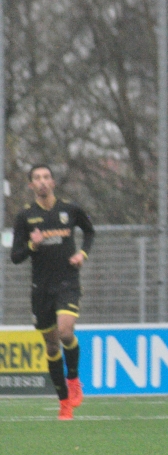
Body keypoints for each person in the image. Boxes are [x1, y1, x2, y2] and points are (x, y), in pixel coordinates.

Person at [10, 164, 95, 420]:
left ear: (53, 182)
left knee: (66, 331)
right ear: (31, 185)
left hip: (67, 282)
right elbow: (16, 256)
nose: (42, 182)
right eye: (37, 178)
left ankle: (73, 379)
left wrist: (82, 253)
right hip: (41, 288)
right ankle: (64, 403)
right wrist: (32, 245)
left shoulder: (70, 210)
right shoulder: (25, 217)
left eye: (46, 177)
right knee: (51, 345)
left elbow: (89, 231)